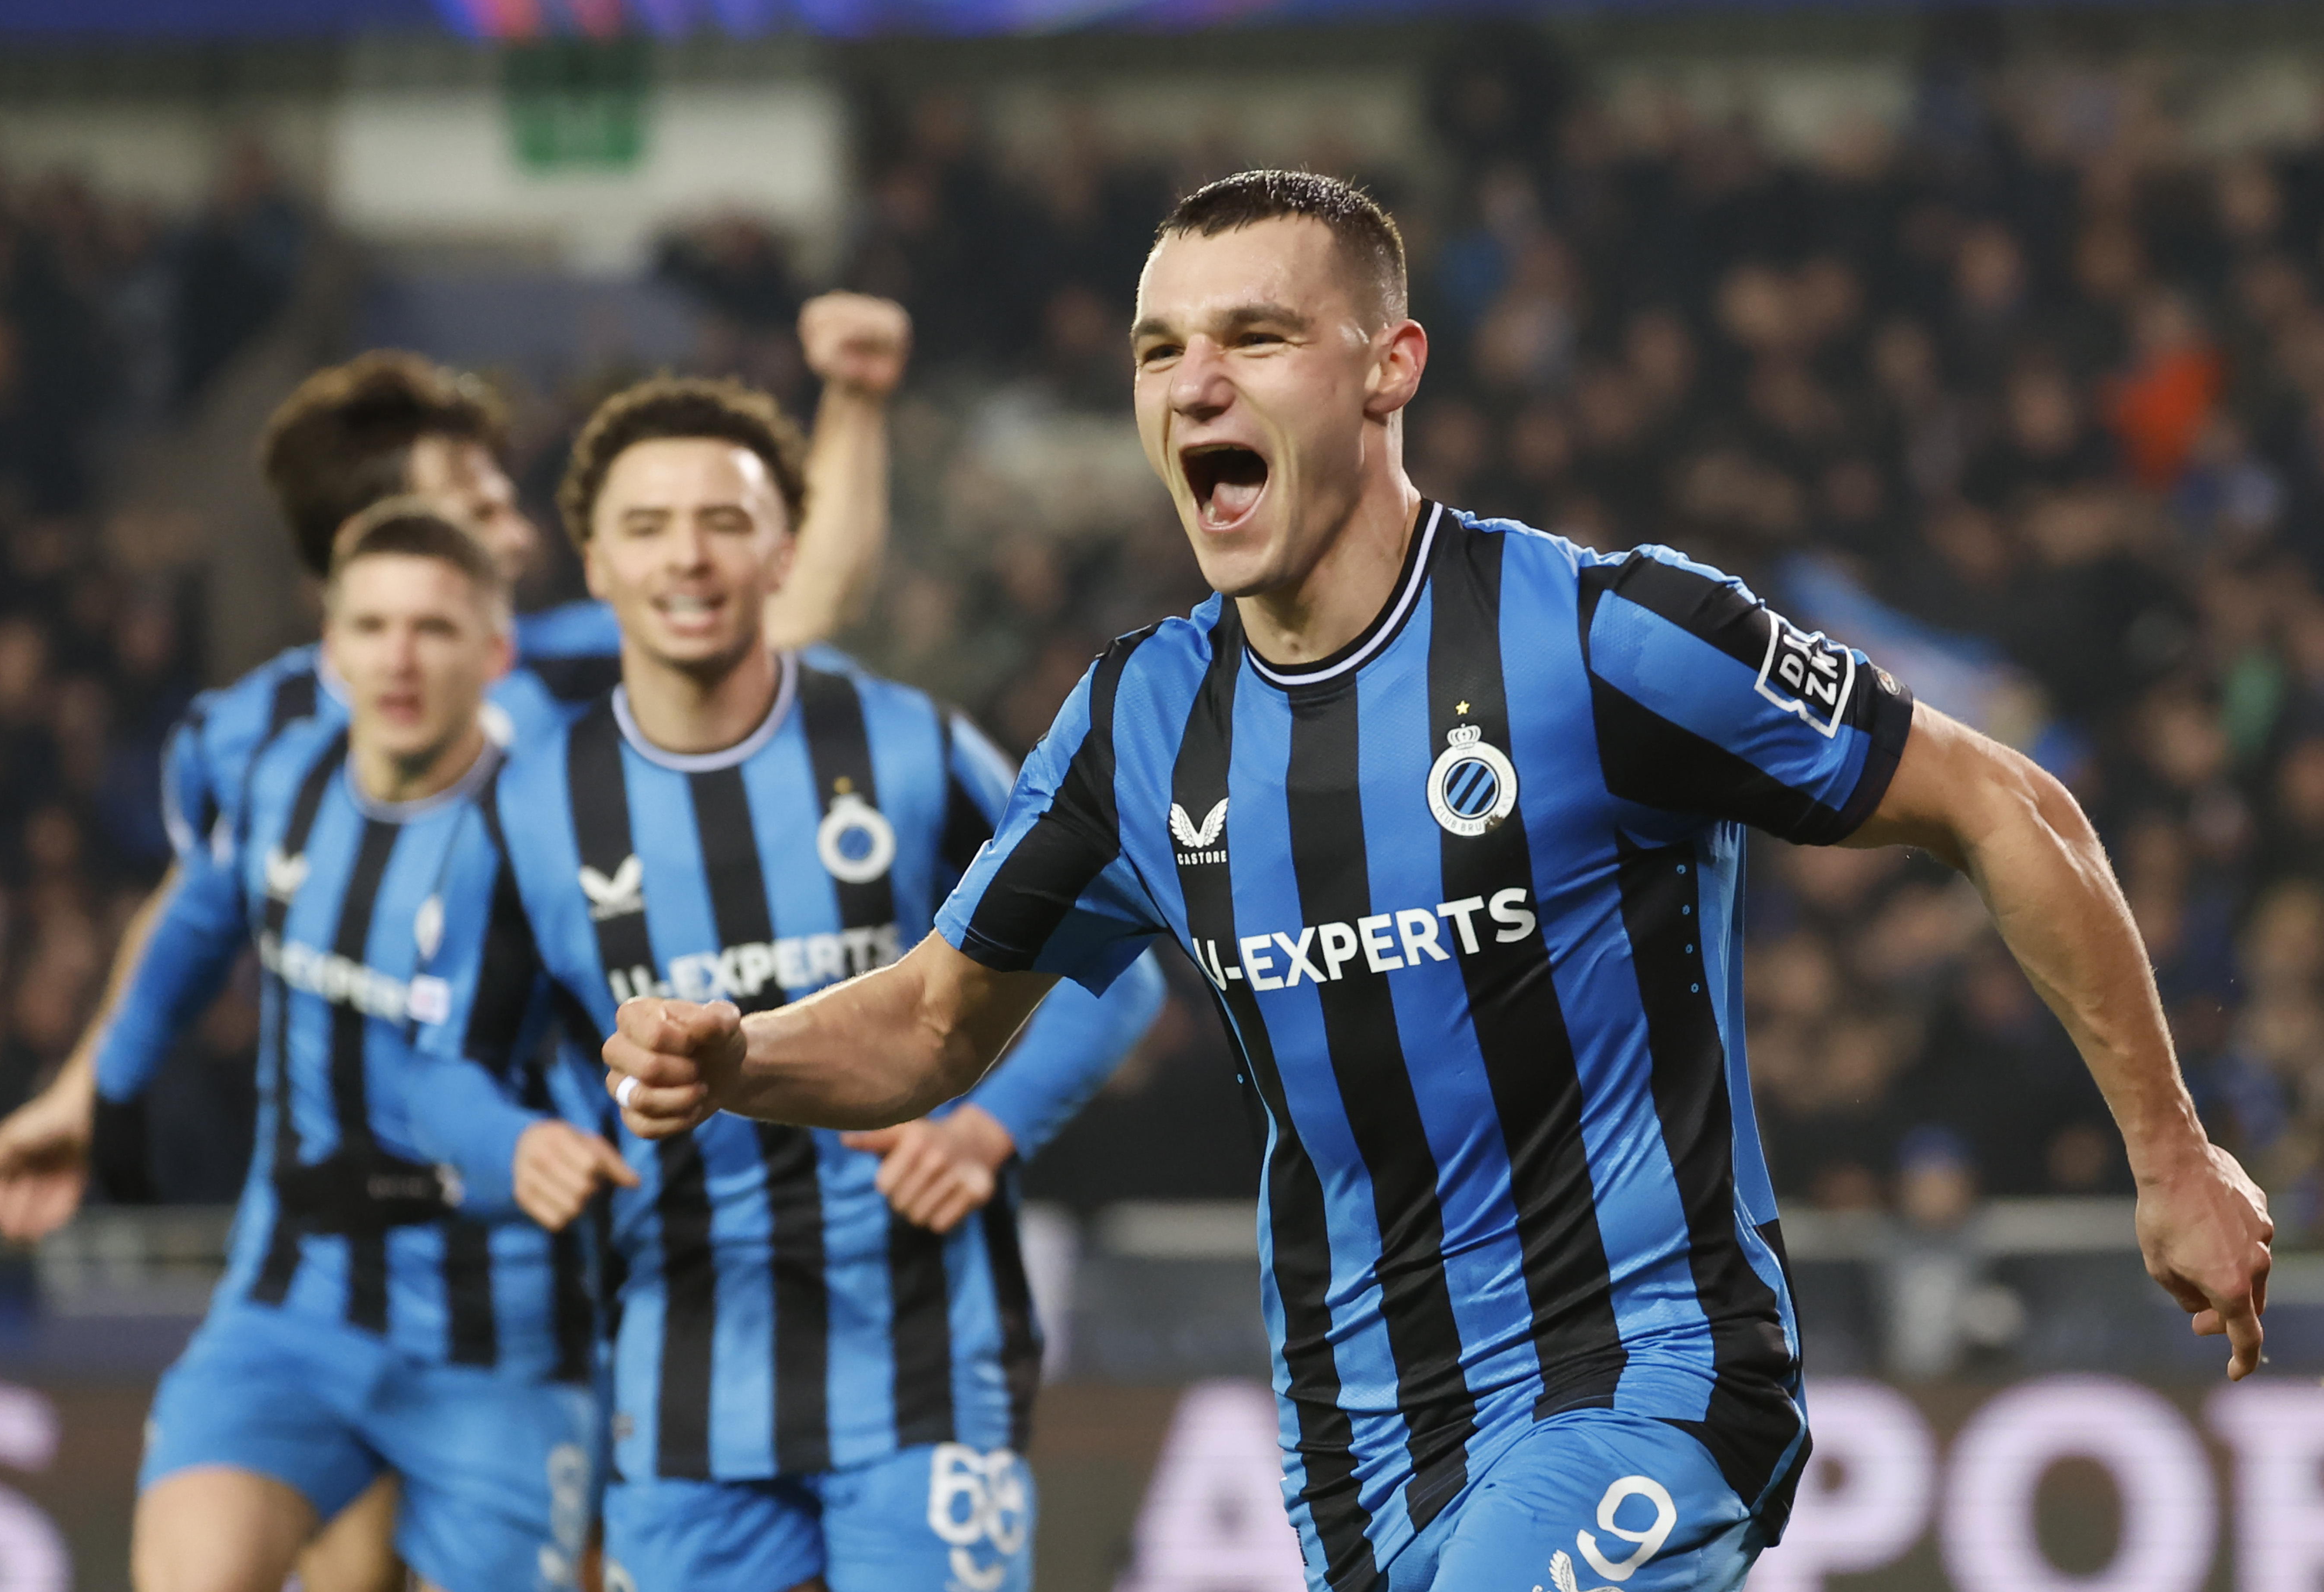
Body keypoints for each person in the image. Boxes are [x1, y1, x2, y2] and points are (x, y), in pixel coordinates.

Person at [600, 172, 2276, 1592]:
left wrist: (2172, 1149)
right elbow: (937, 1021)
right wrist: (739, 1056)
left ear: (1390, 366)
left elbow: (2007, 804)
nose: (1194, 384)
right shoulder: (1138, 721)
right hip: (1358, 1439)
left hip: (1648, 1374)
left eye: (1255, 335)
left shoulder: (1606, 637)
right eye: (1159, 348)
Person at [0, 293, 913, 1590]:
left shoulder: (571, 689)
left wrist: (852, 404)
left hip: (525, 1298)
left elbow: (805, 606)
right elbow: (192, 911)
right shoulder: (256, 739)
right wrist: (84, 1090)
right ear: (361, 553)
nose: (517, 523)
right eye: (479, 500)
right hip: (310, 1271)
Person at [406, 373, 1165, 1592]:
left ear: (785, 551)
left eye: (724, 521)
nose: (688, 558)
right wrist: (513, 1149)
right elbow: (436, 1066)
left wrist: (983, 1129)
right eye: (647, 527)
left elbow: (1115, 966)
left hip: (923, 1356)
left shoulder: (904, 744)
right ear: (594, 564)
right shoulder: (530, 804)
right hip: (682, 1374)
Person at [109, 501, 596, 1592]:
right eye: (371, 628)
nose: (399, 658)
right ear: (329, 650)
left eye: (431, 628)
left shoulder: (563, 839)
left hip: (505, 1342)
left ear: (497, 652)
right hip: (292, 1309)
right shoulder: (281, 780)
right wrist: (99, 1090)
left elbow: (618, 1076)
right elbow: (193, 919)